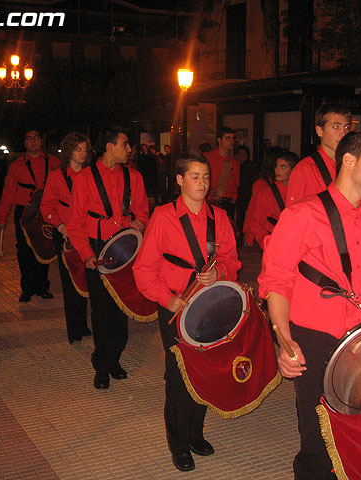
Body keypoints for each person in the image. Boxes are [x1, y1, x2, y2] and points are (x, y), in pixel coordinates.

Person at [258, 130, 361, 479]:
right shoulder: (302, 214)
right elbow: (277, 282)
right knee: (318, 429)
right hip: (316, 335)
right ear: (348, 161)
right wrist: (284, 342)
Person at [133, 155, 241, 472]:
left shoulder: (219, 217)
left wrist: (218, 271)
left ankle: (196, 433)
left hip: (209, 306)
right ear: (179, 180)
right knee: (179, 377)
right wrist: (167, 300)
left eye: (206, 177)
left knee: (204, 372)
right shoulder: (164, 217)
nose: (202, 183)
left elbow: (233, 262)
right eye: (195, 177)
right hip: (175, 306)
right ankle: (178, 443)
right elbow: (144, 269)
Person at [67, 128, 149, 389]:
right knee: (102, 311)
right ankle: (102, 365)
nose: (129, 149)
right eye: (125, 144)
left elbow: (144, 211)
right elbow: (75, 224)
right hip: (97, 248)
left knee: (121, 309)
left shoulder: (134, 176)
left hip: (126, 249)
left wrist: (140, 221)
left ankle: (114, 358)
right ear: (110, 146)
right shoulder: (84, 179)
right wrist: (87, 255)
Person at [40, 132, 92, 344]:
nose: (82, 153)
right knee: (70, 283)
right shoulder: (56, 176)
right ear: (69, 151)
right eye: (78, 149)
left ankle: (84, 325)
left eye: (85, 149)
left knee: (87, 280)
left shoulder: (91, 175)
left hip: (87, 235)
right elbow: (46, 206)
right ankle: (75, 329)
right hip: (65, 235)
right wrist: (61, 226)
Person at [0, 129, 60, 302]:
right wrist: (3, 216)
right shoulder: (16, 165)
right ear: (25, 143)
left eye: (36, 138)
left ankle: (42, 287)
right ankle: (27, 289)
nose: (33, 141)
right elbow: (9, 192)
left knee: (45, 248)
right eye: (29, 139)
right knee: (24, 251)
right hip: (23, 213)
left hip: (46, 212)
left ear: (41, 141)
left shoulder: (54, 162)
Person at [287, 104, 352, 205]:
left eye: (346, 127)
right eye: (336, 127)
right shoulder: (305, 170)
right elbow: (293, 215)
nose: (343, 133)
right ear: (319, 131)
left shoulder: (352, 166)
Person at [243, 149, 298, 249]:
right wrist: (266, 242)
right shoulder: (265, 192)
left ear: (293, 170)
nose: (277, 170)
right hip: (273, 242)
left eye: (283, 167)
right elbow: (256, 222)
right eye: (276, 166)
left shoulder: (300, 192)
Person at [206, 127, 239, 218]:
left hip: (228, 204)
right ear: (219, 140)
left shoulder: (234, 163)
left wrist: (234, 197)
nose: (231, 141)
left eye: (233, 138)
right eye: (228, 138)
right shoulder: (208, 158)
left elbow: (236, 185)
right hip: (211, 202)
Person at [235, 145, 257, 230]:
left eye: (243, 153)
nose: (242, 155)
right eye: (240, 153)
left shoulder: (246, 166)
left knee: (242, 217)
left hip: (245, 195)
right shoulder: (239, 165)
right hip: (245, 195)